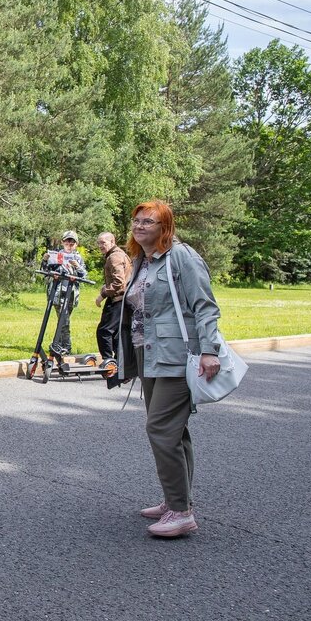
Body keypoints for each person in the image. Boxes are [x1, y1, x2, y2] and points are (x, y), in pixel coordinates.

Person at [116, 200, 223, 539]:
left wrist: (209, 350)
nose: (140, 225)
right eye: (136, 220)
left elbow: (205, 306)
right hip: (148, 354)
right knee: (175, 431)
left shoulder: (182, 257)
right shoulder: (141, 261)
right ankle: (175, 499)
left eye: (149, 221)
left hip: (177, 355)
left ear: (165, 227)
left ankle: (181, 512)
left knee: (160, 428)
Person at [44, 230, 87, 359]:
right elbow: (46, 272)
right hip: (58, 293)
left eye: (72, 242)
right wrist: (45, 261)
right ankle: (66, 347)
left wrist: (77, 267)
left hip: (71, 294)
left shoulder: (78, 257)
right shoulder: (56, 255)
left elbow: (84, 275)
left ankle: (57, 343)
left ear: (76, 244)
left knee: (63, 320)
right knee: (64, 319)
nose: (69, 243)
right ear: (62, 242)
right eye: (67, 241)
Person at [94, 231, 132, 362]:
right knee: (116, 333)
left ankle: (108, 362)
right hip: (121, 299)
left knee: (104, 331)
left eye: (103, 242)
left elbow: (119, 282)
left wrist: (103, 294)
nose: (100, 246)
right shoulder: (119, 254)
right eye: (99, 243)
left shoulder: (114, 257)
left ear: (112, 242)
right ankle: (119, 363)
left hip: (117, 299)